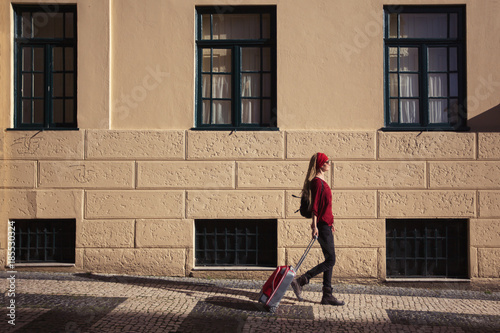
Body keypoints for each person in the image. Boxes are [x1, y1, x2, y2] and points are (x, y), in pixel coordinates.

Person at [291, 152, 344, 306]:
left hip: (326, 224)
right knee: (331, 259)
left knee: (330, 259)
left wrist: (331, 221)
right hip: (321, 225)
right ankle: (302, 280)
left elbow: (326, 205)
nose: (329, 163)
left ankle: (327, 295)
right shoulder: (316, 182)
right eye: (327, 161)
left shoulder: (322, 181)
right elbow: (315, 206)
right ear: (321, 164)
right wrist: (314, 226)